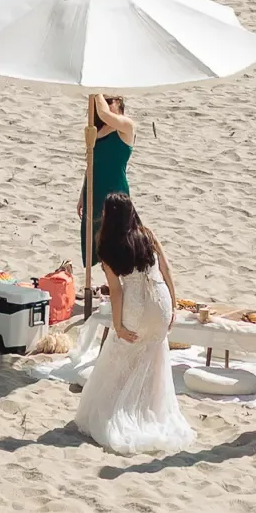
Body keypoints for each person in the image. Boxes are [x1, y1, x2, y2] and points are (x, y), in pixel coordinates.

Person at [73, 192, 192, 453]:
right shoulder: (148, 234)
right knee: (153, 357)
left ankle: (122, 410)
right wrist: (172, 304)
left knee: (121, 353)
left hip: (137, 306)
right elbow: (167, 270)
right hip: (160, 301)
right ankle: (148, 408)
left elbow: (116, 291)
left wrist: (117, 325)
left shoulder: (106, 246)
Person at [79, 92, 134, 273]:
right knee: (96, 240)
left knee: (115, 240)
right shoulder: (97, 129)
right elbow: (91, 163)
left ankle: (116, 286)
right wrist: (82, 193)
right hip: (95, 188)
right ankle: (108, 286)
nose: (107, 104)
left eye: (110, 101)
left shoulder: (126, 126)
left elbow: (104, 114)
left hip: (115, 190)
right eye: (106, 101)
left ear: (119, 103)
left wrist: (95, 91)